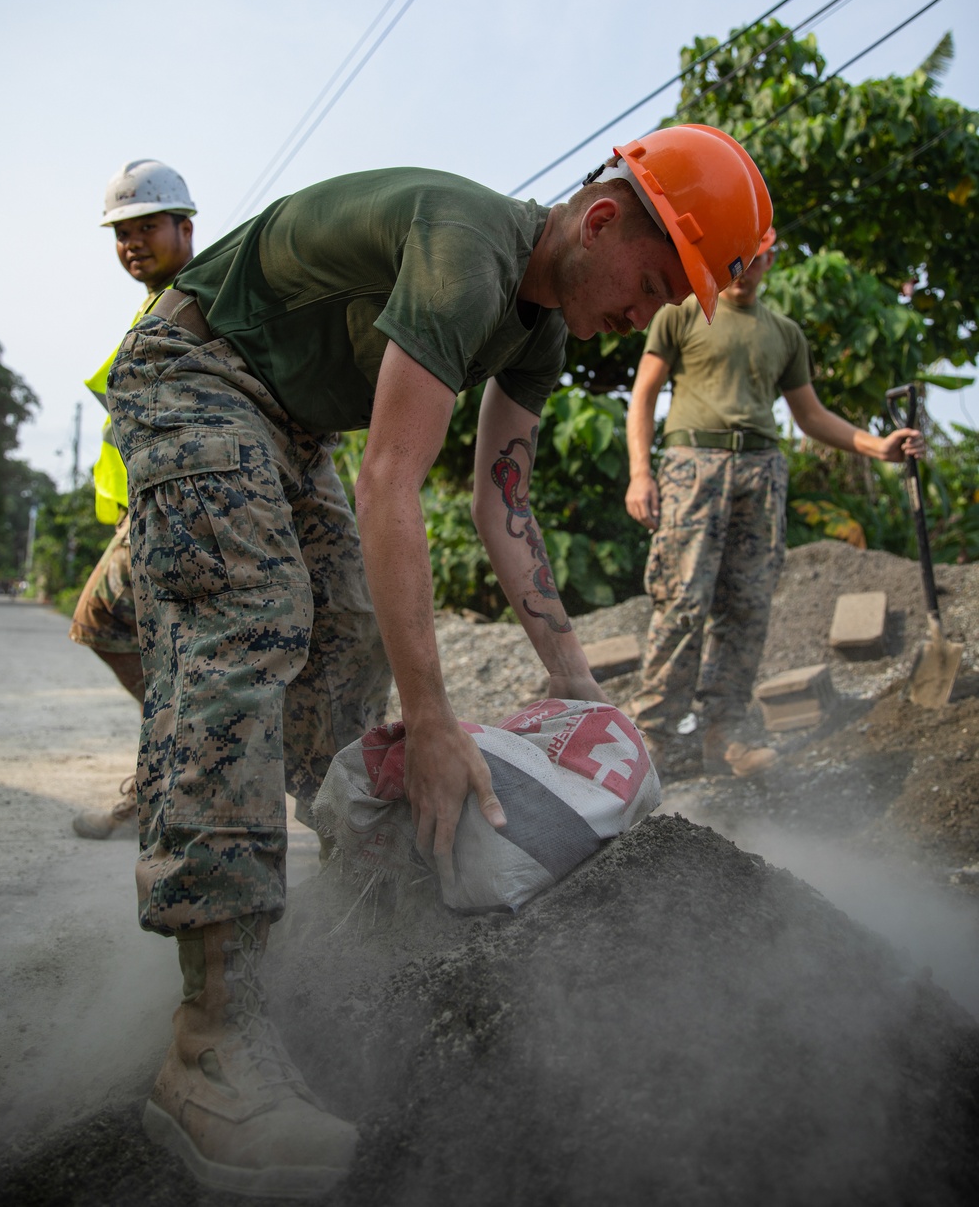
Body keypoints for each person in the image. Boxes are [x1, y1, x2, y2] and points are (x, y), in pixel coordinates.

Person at [106, 123, 772, 1198]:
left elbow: (500, 506)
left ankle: (307, 901)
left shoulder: (539, 331)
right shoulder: (468, 250)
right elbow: (391, 486)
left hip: (289, 423)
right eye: (651, 284)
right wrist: (433, 723)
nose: (642, 318)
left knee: (356, 641)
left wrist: (579, 689)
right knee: (251, 620)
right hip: (195, 371)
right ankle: (210, 1039)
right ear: (600, 222)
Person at [624, 226, 924, 779]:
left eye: (762, 258)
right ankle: (653, 742)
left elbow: (811, 416)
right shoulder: (685, 312)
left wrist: (876, 445)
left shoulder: (783, 333)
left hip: (762, 472)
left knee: (748, 606)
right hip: (695, 464)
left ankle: (726, 735)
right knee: (683, 602)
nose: (751, 268)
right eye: (744, 258)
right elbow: (643, 396)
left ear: (771, 260)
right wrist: (640, 473)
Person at [69, 160, 196, 838]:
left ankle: (176, 773)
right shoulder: (154, 305)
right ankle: (173, 770)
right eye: (121, 232)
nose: (132, 243)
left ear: (186, 225)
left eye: (148, 227)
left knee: (111, 627)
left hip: (181, 512)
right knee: (139, 644)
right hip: (144, 516)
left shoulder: (199, 297)